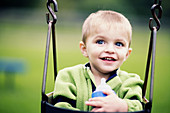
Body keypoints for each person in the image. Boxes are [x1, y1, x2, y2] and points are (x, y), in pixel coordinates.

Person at [53, 10, 143, 112]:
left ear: (127, 54)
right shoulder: (69, 76)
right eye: (100, 42)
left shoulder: (130, 81)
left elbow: (138, 107)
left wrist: (122, 106)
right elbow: (61, 107)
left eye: (118, 44)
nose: (110, 50)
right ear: (84, 49)